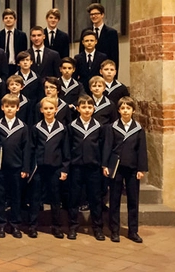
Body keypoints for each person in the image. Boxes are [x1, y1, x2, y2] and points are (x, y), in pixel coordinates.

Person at [102, 97, 148, 243]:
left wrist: (141, 169)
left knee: (133, 200)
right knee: (114, 199)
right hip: (116, 168)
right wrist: (105, 165)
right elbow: (107, 147)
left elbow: (142, 150)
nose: (125, 111)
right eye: (123, 108)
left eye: (128, 108)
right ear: (119, 110)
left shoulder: (138, 129)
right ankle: (114, 230)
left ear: (133, 110)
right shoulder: (112, 127)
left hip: (133, 168)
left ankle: (133, 231)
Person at [27, 97, 69, 239]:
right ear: (41, 110)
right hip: (39, 168)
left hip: (55, 169)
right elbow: (31, 149)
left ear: (56, 110)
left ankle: (56, 226)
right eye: (46, 108)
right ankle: (33, 226)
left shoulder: (62, 129)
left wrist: (64, 169)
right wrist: (30, 168)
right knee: (35, 198)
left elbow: (66, 151)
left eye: (51, 108)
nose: (49, 111)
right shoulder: (36, 128)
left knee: (55, 198)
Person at [0, 94, 31, 238]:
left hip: (17, 167)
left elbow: (26, 148)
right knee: (0, 196)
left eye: (12, 106)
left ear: (18, 108)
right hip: (1, 167)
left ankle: (15, 225)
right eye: (7, 106)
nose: (9, 109)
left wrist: (25, 167)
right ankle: (1, 225)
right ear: (2, 107)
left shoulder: (23, 127)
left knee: (16, 197)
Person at [67, 95, 105, 241]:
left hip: (93, 167)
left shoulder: (99, 127)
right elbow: (68, 146)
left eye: (89, 107)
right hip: (76, 167)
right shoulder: (72, 126)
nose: (87, 110)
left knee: (95, 198)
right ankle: (73, 227)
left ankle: (97, 228)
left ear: (94, 109)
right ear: (78, 109)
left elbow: (102, 147)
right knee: (74, 198)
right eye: (83, 107)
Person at [81, 3, 119, 68]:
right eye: (91, 14)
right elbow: (81, 53)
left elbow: (114, 56)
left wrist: (113, 76)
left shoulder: (111, 33)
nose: (93, 16)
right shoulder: (85, 32)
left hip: (105, 69)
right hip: (88, 69)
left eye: (96, 14)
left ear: (102, 15)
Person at [0, 9, 28, 77]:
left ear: (15, 20)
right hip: (1, 67)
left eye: (11, 18)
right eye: (6, 18)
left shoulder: (22, 35)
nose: (8, 20)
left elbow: (23, 52)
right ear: (3, 20)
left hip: (16, 67)